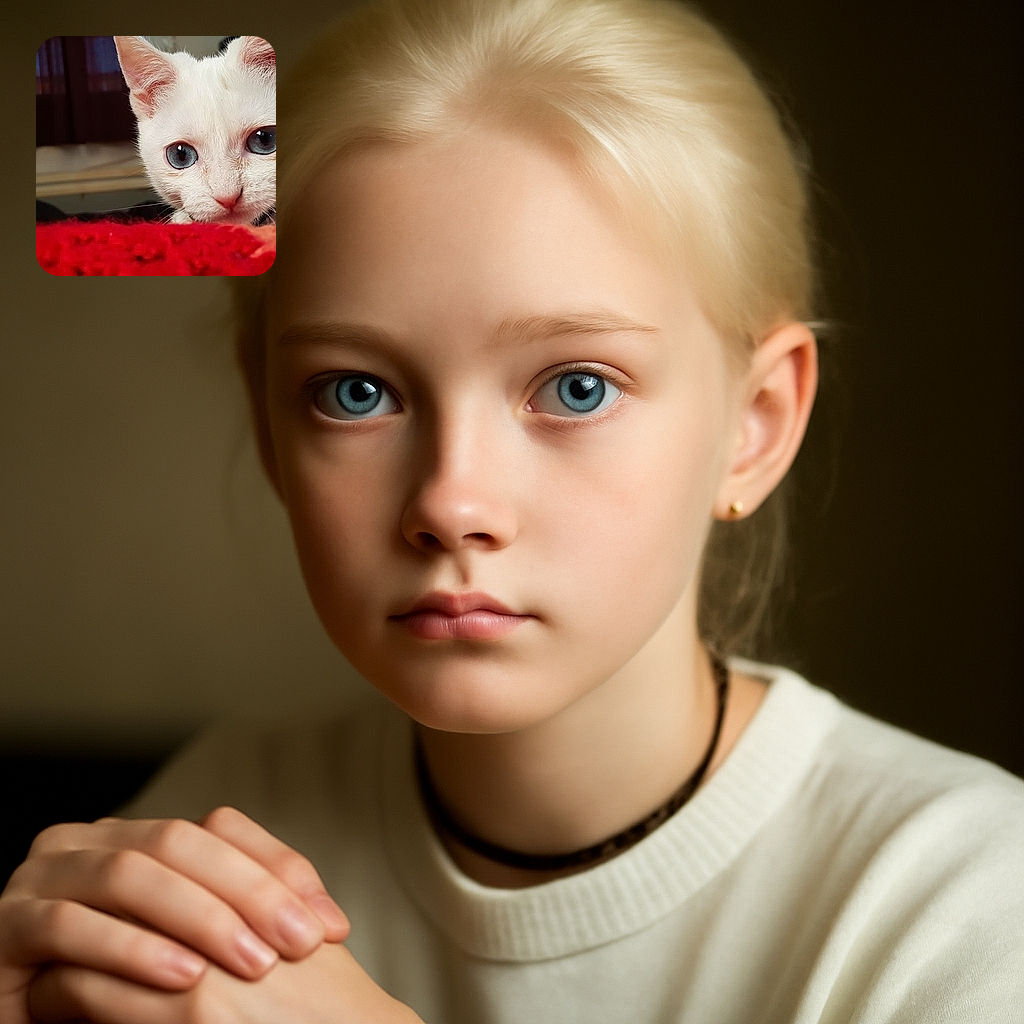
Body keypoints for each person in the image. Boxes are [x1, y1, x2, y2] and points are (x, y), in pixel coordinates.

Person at [2, 1, 1021, 1021]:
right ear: (270, 426)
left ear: (753, 424)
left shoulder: (960, 899)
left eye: (577, 386)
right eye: (354, 391)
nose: (451, 503)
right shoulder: (221, 819)